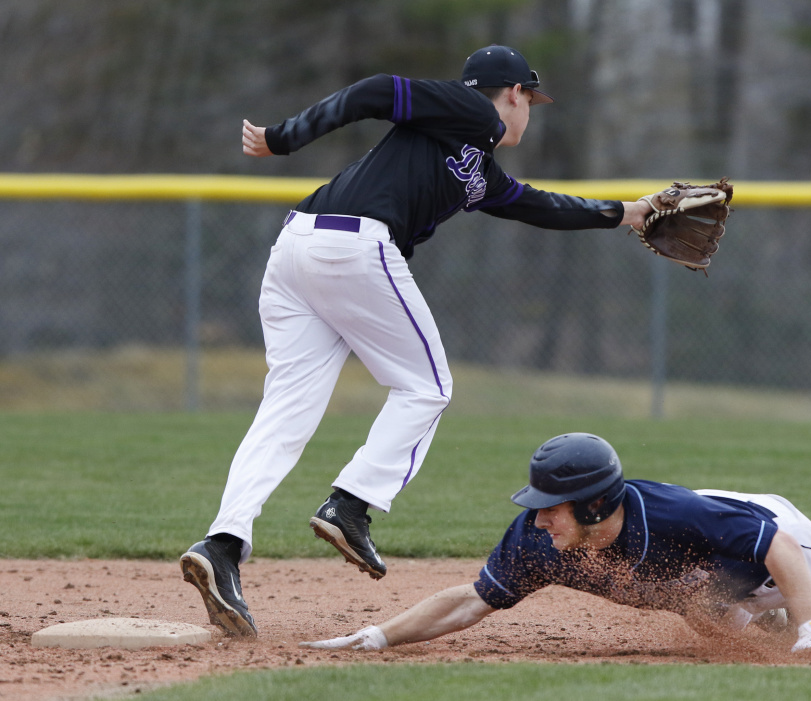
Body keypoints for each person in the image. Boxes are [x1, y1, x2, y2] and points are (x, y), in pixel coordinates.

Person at [180, 47, 658, 638]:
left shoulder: (475, 165)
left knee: (285, 410)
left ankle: (223, 545)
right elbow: (375, 90)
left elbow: (541, 206)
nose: (529, 113)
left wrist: (633, 213)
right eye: (530, 100)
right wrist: (283, 139)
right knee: (427, 387)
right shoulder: (472, 111)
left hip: (298, 249)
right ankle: (350, 504)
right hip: (355, 245)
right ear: (512, 94)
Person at [299, 433, 811, 662]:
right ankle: (767, 622)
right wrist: (380, 635)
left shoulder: (674, 514)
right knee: (706, 611)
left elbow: (779, 546)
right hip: (713, 582)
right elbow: (471, 601)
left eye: (549, 506)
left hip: (772, 543)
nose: (537, 519)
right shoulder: (541, 544)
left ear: (593, 505)